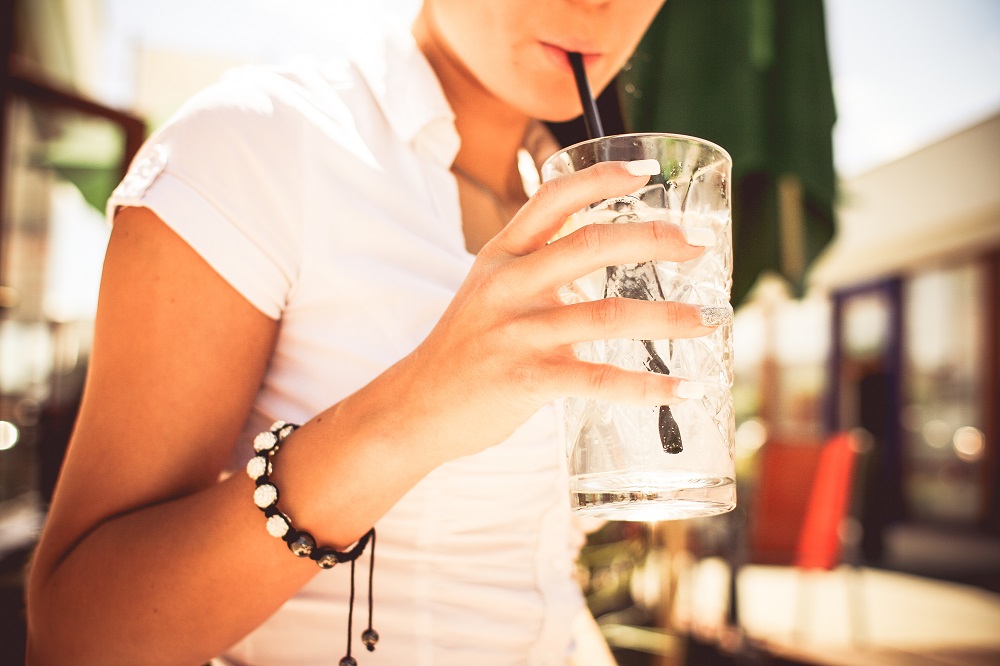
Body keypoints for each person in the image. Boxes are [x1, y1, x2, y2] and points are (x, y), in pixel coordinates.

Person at [26, 0, 719, 663]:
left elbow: (534, 589)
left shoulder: (592, 207)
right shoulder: (253, 145)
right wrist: (416, 410)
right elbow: (75, 640)